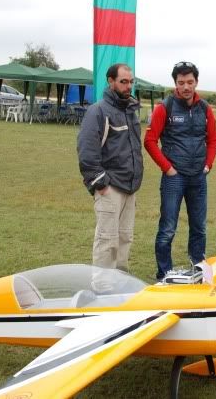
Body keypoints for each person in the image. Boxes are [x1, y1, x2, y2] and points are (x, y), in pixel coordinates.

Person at [144, 61, 216, 280]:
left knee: (199, 227)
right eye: (181, 82)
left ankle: (198, 269)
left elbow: (213, 139)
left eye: (190, 82)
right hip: (174, 178)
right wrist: (167, 168)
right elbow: (149, 141)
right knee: (168, 228)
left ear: (196, 82)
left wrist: (208, 164)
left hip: (198, 177)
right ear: (175, 83)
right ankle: (164, 273)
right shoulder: (164, 107)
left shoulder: (205, 108)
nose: (186, 87)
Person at [77, 63, 143, 290]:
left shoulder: (130, 109)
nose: (128, 86)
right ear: (111, 81)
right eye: (123, 81)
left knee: (125, 238)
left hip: (129, 187)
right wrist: (100, 184)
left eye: (131, 81)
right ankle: (102, 288)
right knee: (107, 240)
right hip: (110, 187)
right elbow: (87, 150)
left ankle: (120, 283)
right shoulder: (99, 111)